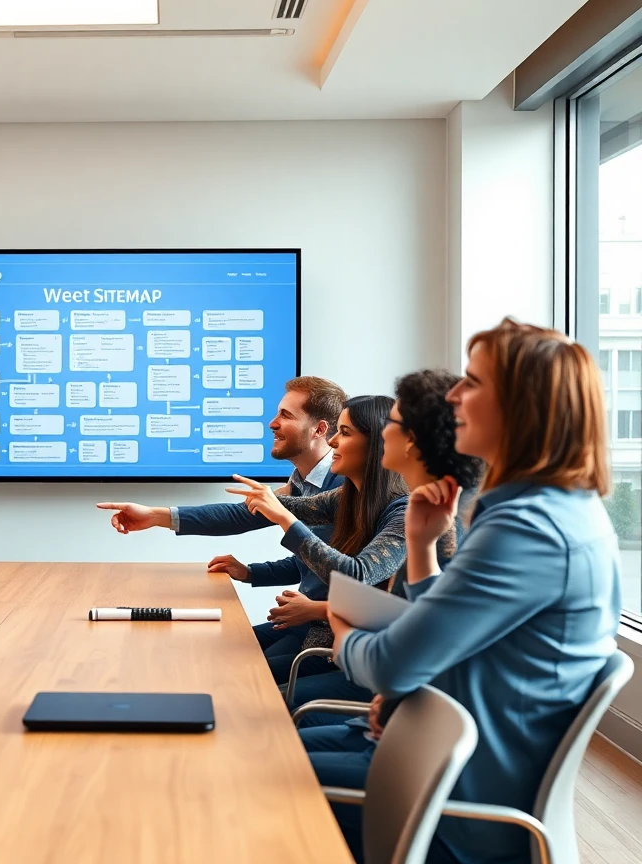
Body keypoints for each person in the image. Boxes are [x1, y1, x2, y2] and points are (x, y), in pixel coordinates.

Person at [302, 320, 620, 864]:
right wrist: (423, 551)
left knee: (249, 769)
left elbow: (392, 665)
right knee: (262, 749)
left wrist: (342, 627)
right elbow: (447, 639)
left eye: (471, 382)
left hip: (450, 803)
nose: (453, 396)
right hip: (436, 757)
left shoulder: (527, 530)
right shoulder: (553, 510)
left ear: (521, 408)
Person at [98, 395, 409, 683]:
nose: (334, 441)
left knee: (239, 678)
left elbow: (356, 574)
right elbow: (251, 513)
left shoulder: (392, 505)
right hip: (324, 627)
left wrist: (284, 519)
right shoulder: (349, 494)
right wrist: (155, 516)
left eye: (345, 432)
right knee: (213, 659)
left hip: (347, 643)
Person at [288, 370, 483, 717]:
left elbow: (403, 649)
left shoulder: (436, 521)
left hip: (394, 696)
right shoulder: (427, 515)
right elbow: (412, 621)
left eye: (390, 423)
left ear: (411, 439)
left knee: (265, 711)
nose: (382, 433)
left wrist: (338, 621)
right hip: (392, 692)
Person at [202, 376, 345, 657]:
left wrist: (315, 609)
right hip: (303, 620)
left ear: (319, 429)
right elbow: (311, 562)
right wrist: (250, 572)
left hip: (323, 632)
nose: (272, 423)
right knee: (215, 649)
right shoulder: (300, 481)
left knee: (238, 669)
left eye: (285, 415)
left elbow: (349, 573)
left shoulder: (341, 488)